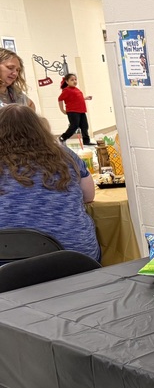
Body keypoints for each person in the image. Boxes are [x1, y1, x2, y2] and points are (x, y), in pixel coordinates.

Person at [0, 103, 99, 261]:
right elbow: (89, 196)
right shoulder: (65, 155)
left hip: (8, 262)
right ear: (38, 128)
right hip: (75, 257)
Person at [58, 73, 92, 145]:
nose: (74, 81)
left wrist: (85, 98)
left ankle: (86, 141)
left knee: (85, 126)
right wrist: (62, 110)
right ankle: (62, 138)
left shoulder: (76, 89)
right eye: (72, 80)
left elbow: (76, 99)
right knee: (74, 126)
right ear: (67, 82)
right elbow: (60, 99)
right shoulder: (67, 90)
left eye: (75, 79)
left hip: (81, 111)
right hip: (73, 111)